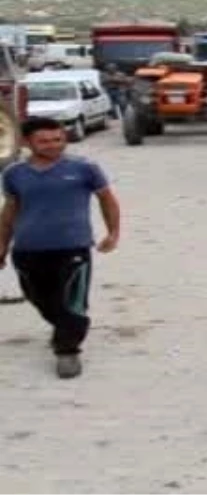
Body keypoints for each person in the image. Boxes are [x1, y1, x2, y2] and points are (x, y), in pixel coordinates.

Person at [0, 117, 121, 379]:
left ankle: (67, 350)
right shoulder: (14, 174)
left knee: (72, 303)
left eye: (58, 139)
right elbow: (10, 210)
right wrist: (2, 245)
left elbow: (107, 200)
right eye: (44, 141)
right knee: (39, 298)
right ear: (26, 142)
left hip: (73, 247)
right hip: (28, 250)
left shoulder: (85, 168)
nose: (53, 145)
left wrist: (113, 233)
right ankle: (64, 327)